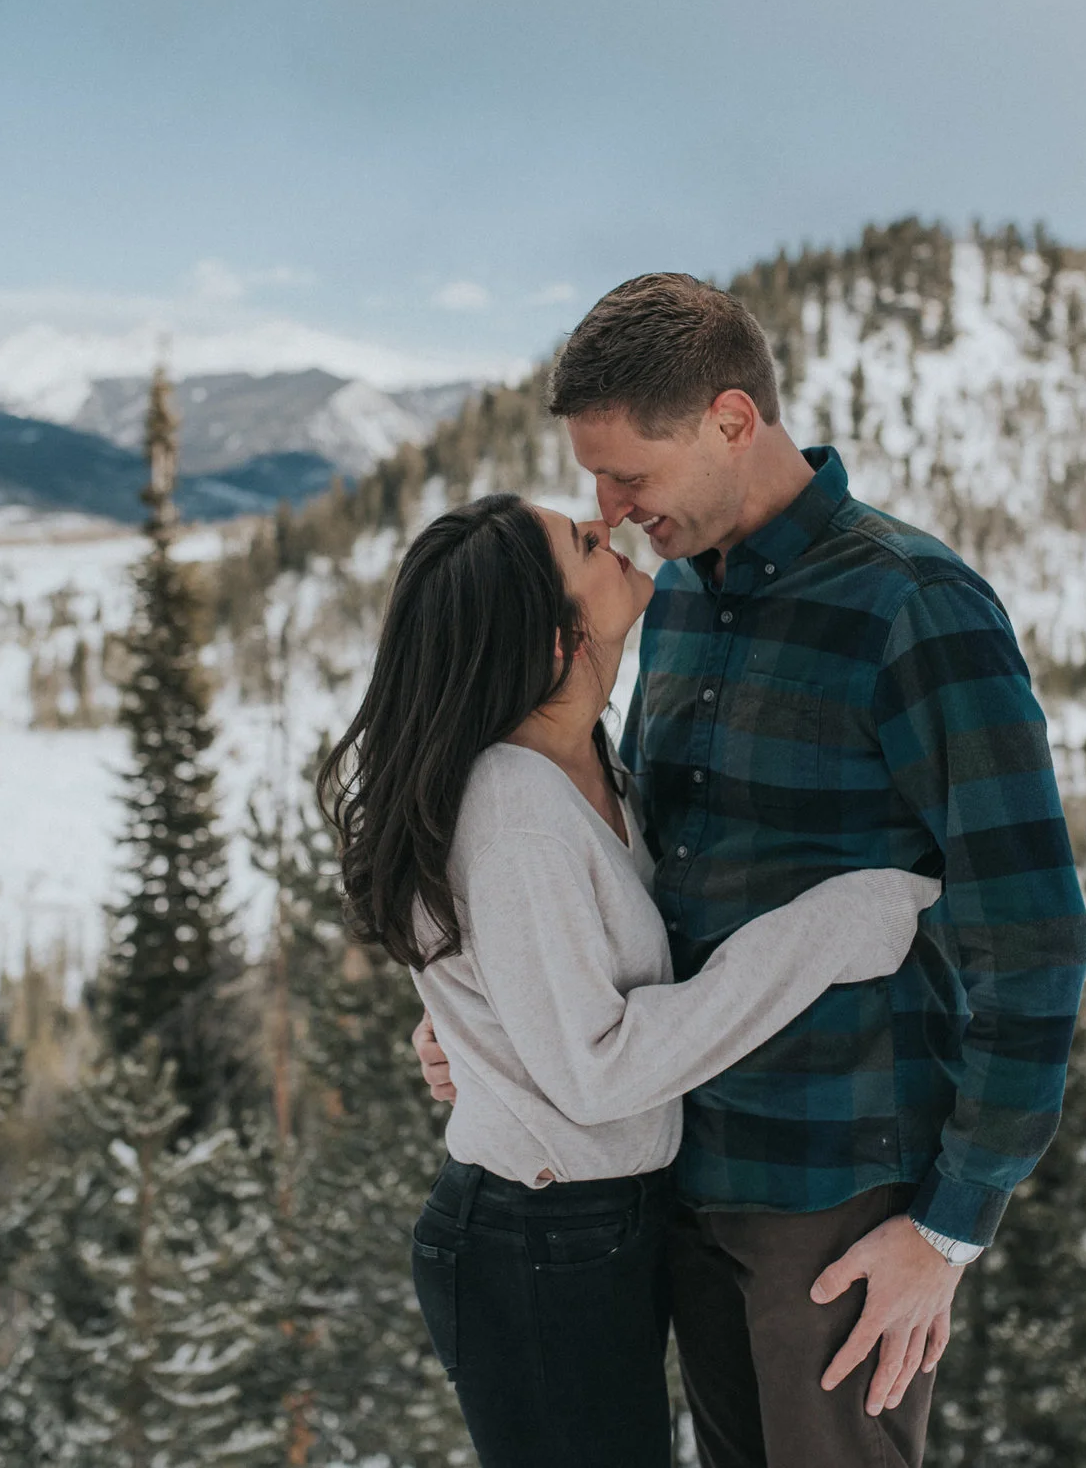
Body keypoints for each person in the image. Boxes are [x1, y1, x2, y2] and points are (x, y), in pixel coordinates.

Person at [411, 273, 1086, 1468]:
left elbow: (1030, 938)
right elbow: (638, 888)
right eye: (592, 481)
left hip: (829, 1192)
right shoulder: (672, 605)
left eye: (630, 475)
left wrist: (948, 1225)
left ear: (733, 420)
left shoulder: (914, 607)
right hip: (673, 1177)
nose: (610, 510)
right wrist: (501, 1025)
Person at [317, 491, 936, 1468]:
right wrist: (832, 929)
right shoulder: (516, 811)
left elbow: (540, 962)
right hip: (536, 1246)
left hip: (597, 1229)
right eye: (581, 543)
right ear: (558, 638)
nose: (608, 531)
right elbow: (598, 1070)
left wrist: (476, 1025)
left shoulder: (585, 758)